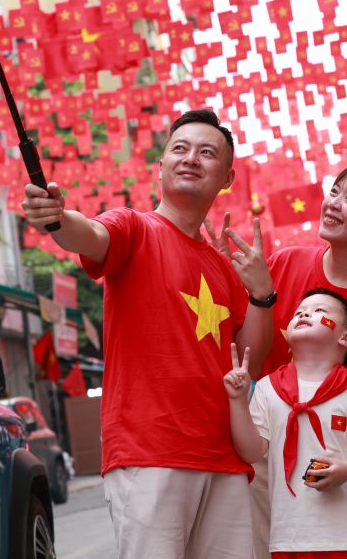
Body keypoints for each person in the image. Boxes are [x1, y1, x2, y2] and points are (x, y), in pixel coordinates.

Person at [21, 109, 275, 559]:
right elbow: (90, 233)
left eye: (206, 152)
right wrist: (57, 217)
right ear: (160, 166)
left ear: (227, 178)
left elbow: (249, 363)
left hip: (224, 458)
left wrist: (261, 294)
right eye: (180, 148)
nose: (190, 158)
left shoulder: (223, 267)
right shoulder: (133, 227)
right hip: (149, 452)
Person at [214, 162, 347, 558]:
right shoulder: (285, 262)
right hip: (267, 451)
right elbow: (246, 346)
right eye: (334, 192)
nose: (333, 203)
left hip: (335, 460)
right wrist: (221, 273)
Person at [223, 288, 347, 559]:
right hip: (287, 537)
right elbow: (252, 451)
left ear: (345, 338)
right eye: (299, 312)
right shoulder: (268, 388)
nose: (304, 314)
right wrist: (237, 400)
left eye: (320, 311)